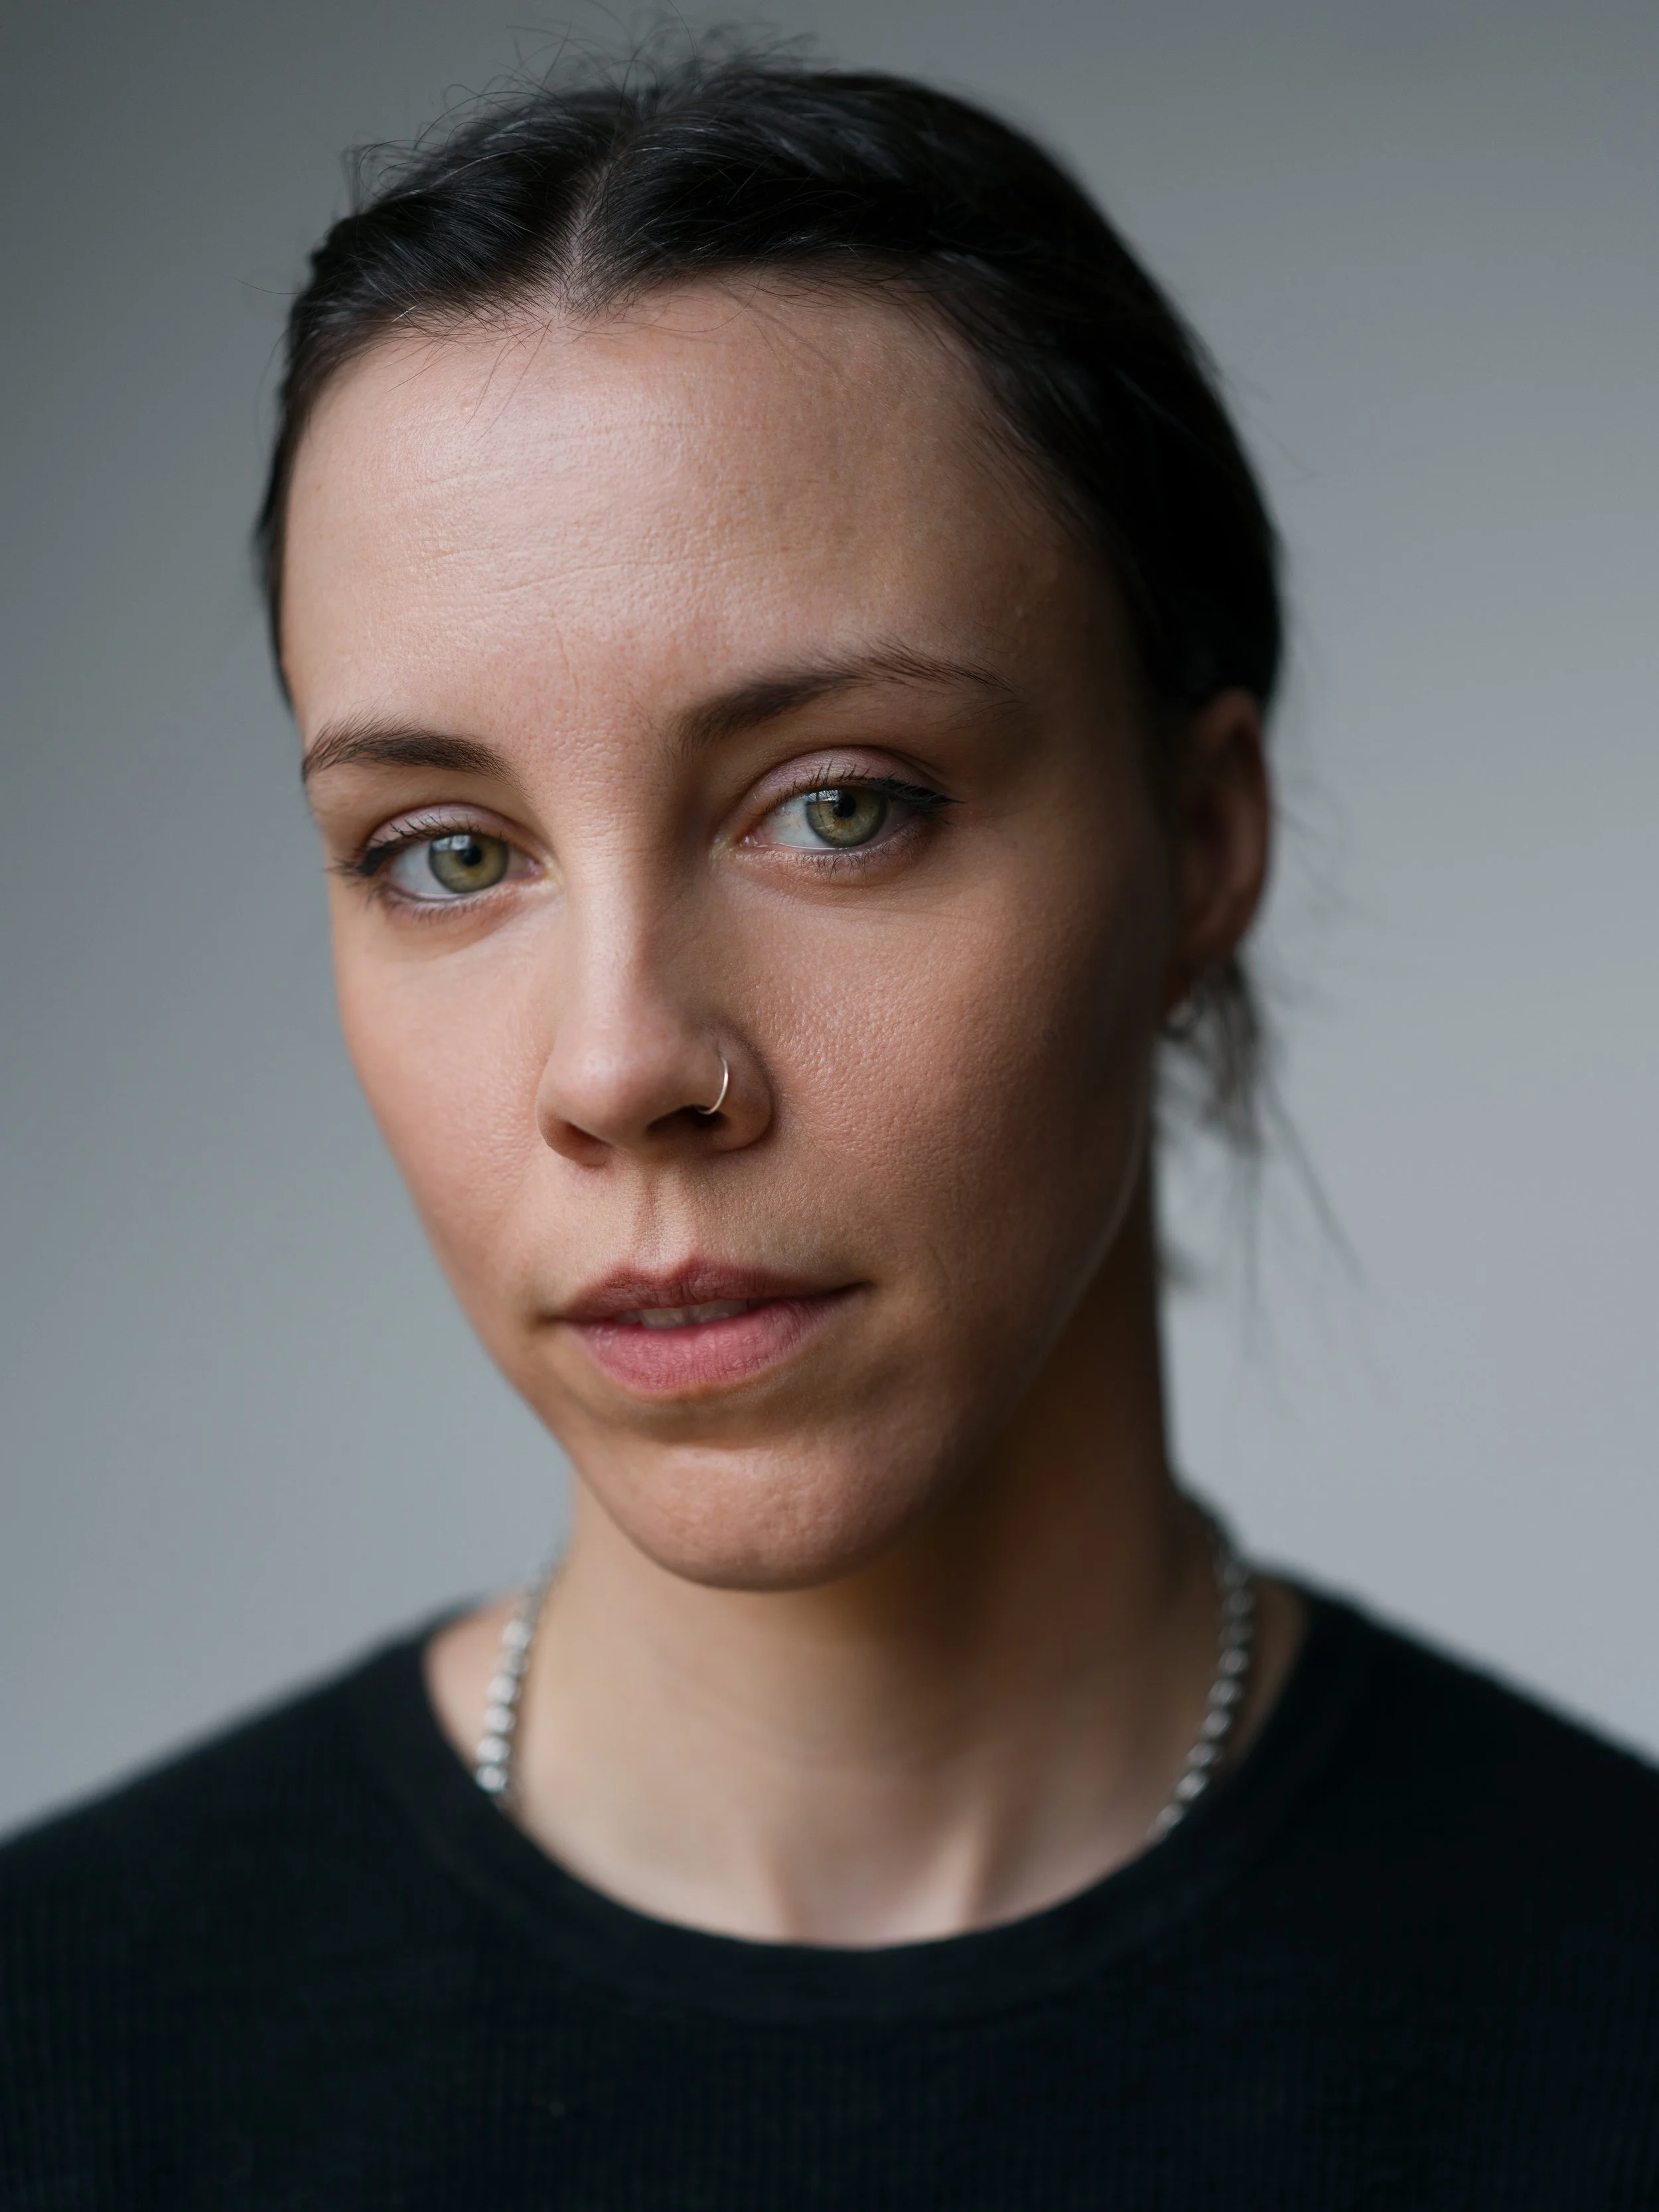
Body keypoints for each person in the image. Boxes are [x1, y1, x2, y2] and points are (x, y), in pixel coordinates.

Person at [3, 52, 1656, 2209]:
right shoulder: (66, 2048)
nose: (619, 1065)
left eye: (838, 805)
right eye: (440, 851)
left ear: (1200, 843)